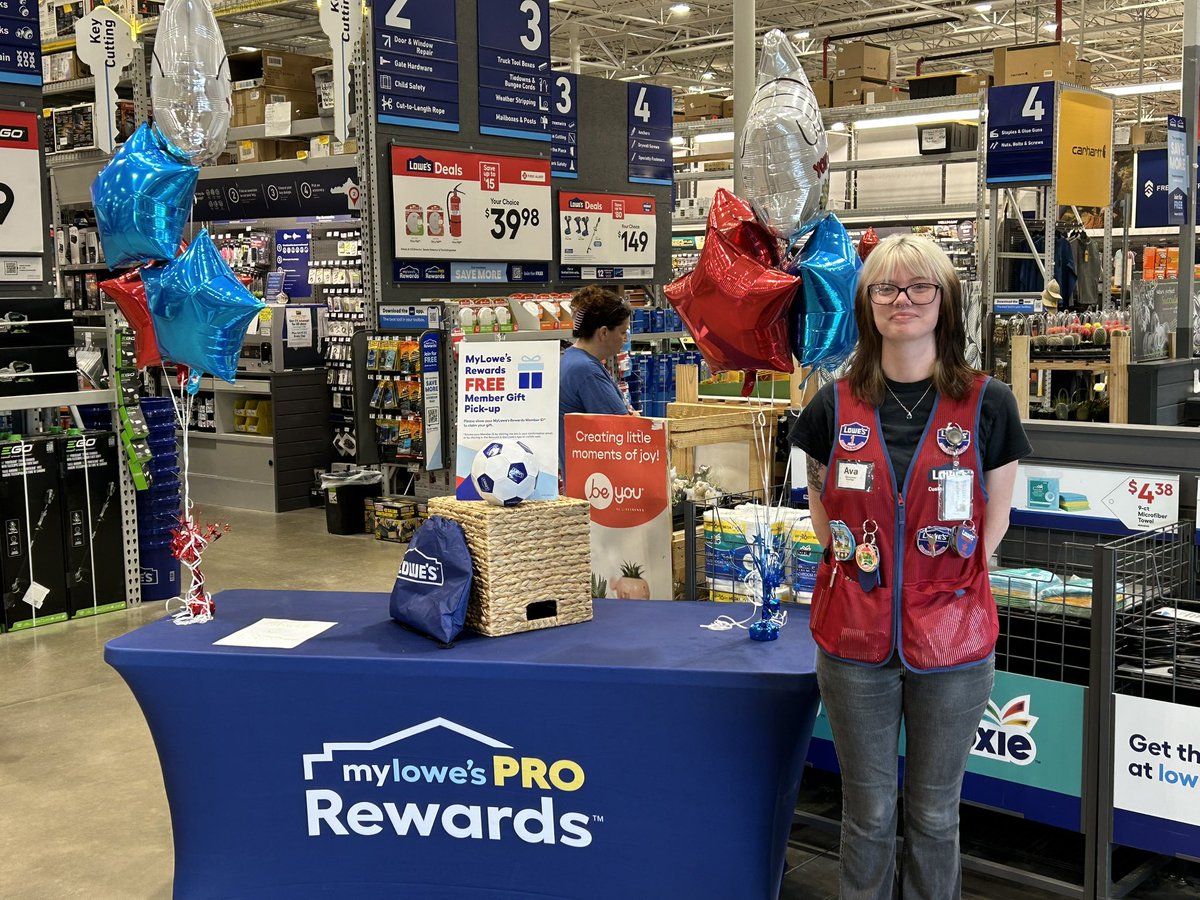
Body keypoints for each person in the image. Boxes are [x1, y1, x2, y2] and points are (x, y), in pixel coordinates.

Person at [790, 234, 1032, 899]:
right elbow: (823, 517)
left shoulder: (989, 405)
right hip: (853, 644)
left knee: (932, 814)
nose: (904, 300)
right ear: (866, 305)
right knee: (867, 816)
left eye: (920, 286)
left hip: (952, 645)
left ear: (945, 300)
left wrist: (941, 588)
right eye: (886, 288)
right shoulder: (829, 408)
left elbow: (996, 521)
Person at [559, 286, 634, 474]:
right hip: (599, 487)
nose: (625, 339)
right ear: (603, 333)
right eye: (623, 332)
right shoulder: (586, 371)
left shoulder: (572, 358)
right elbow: (626, 431)